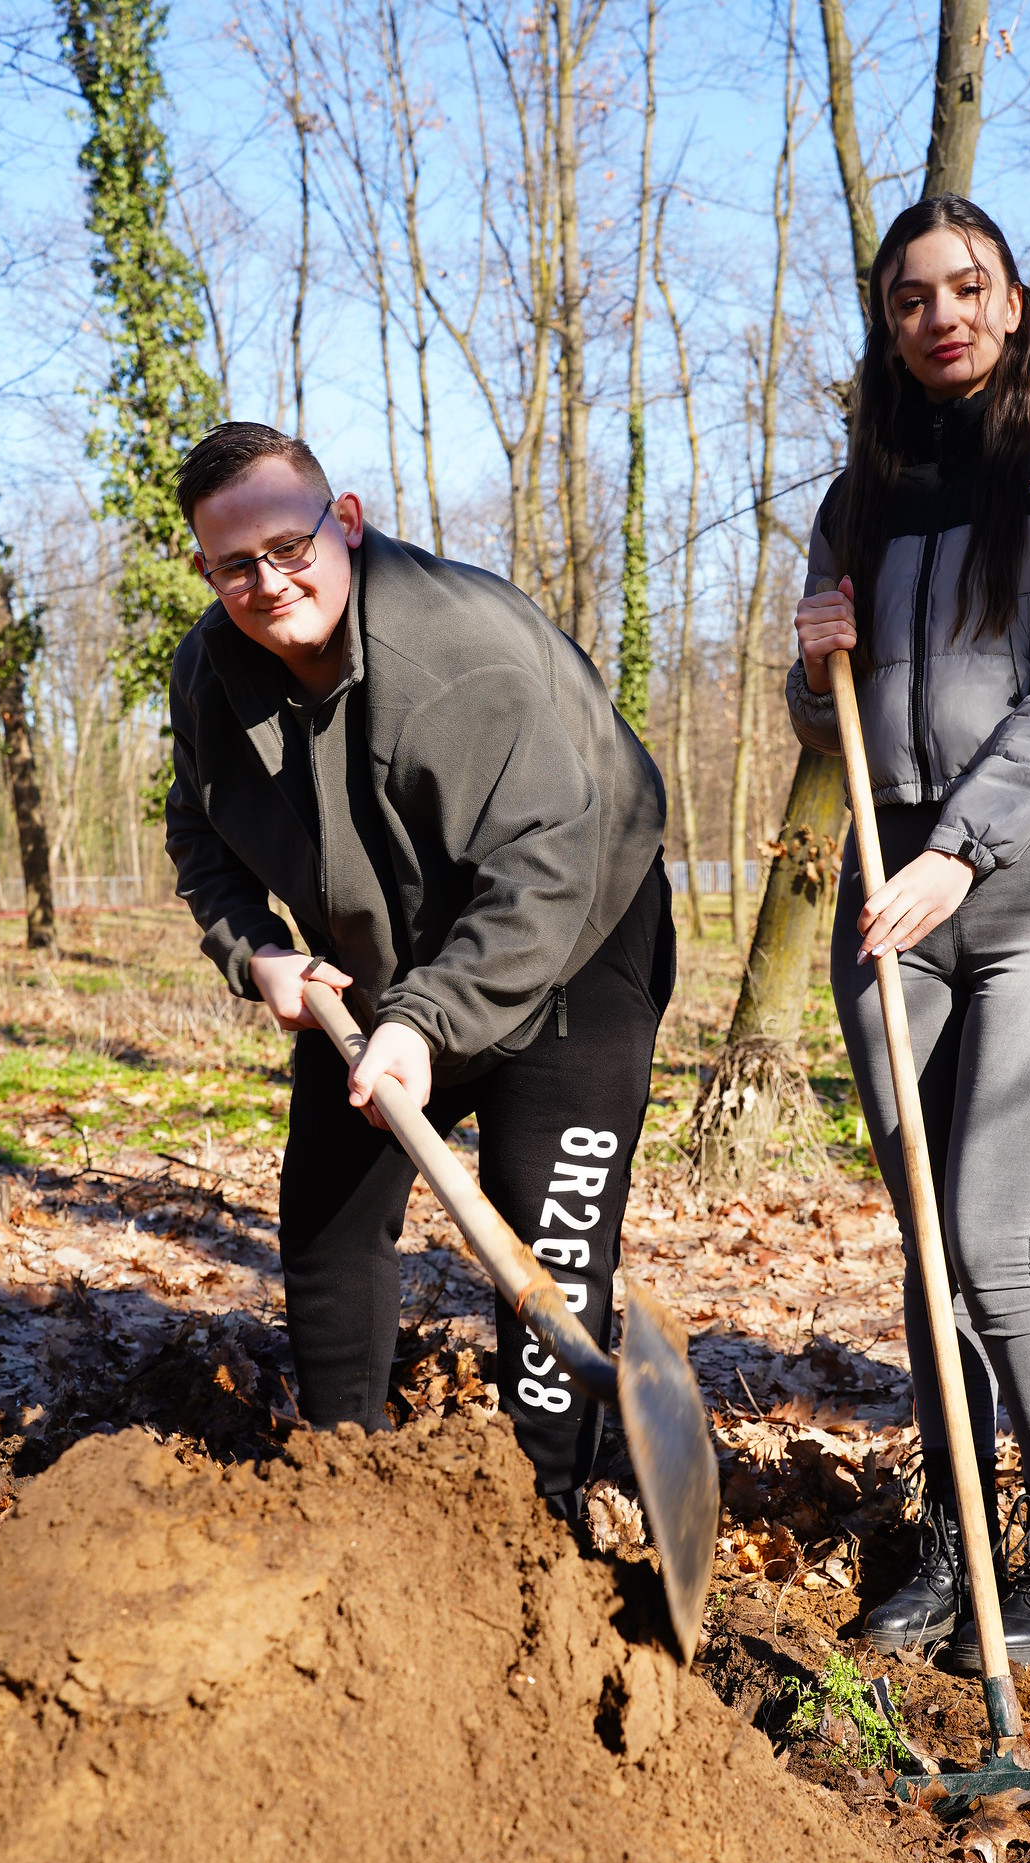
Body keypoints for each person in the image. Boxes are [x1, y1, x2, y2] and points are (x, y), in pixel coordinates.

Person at [165, 422, 674, 1521]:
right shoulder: (209, 673)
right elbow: (200, 839)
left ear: (343, 520)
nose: (267, 581)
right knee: (328, 1221)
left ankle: (548, 1519)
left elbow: (547, 867)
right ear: (207, 570)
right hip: (370, 960)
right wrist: (257, 952)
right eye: (234, 564)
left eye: (290, 546)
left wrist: (429, 1022)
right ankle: (350, 1487)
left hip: (575, 936)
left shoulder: (459, 654)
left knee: (549, 1225)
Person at [788, 195, 1030, 1667]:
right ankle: (957, 1546)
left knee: (994, 1238)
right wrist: (814, 675)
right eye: (909, 298)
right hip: (890, 898)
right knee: (925, 1255)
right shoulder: (854, 500)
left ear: (1010, 307)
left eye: (965, 288)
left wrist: (964, 847)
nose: (939, 314)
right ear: (887, 326)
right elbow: (824, 720)